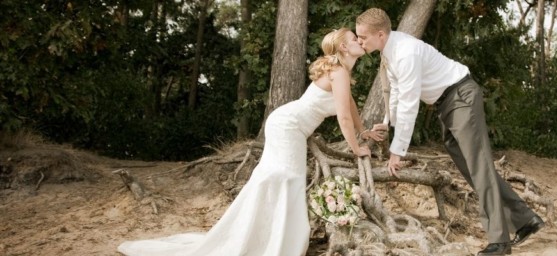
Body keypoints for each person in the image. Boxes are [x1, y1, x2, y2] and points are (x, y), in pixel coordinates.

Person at [117, 28, 382, 256]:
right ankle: (270, 241)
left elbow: (350, 108)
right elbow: (344, 118)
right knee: (286, 177)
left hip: (289, 125)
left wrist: (365, 132)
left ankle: (264, 236)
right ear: (344, 46)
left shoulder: (342, 70)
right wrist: (356, 147)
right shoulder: (339, 72)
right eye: (354, 38)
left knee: (278, 178)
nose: (360, 40)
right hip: (288, 125)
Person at [355, 8, 545, 256]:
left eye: (362, 37)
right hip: (447, 104)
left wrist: (397, 151)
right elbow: (398, 92)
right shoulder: (390, 52)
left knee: (479, 167)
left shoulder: (405, 54)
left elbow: (410, 104)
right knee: (473, 169)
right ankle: (525, 219)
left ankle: (500, 241)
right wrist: (388, 122)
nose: (359, 42)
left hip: (460, 97)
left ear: (380, 34)